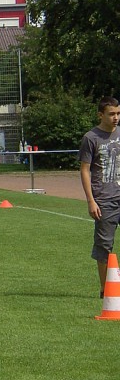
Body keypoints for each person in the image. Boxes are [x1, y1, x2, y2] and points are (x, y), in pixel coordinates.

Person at [79, 97, 120, 299]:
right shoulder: (91, 138)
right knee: (104, 245)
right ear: (100, 115)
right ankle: (106, 290)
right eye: (111, 114)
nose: (115, 118)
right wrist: (91, 200)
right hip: (104, 199)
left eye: (118, 113)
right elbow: (85, 170)